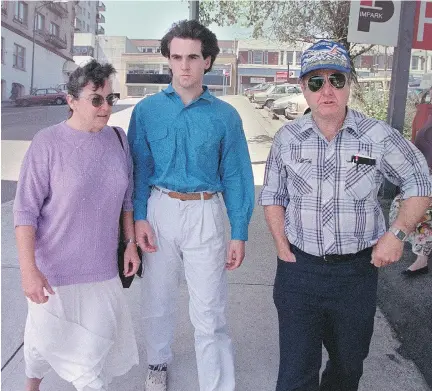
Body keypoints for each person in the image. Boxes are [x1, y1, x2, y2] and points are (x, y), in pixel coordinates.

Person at [259, 40, 431, 391]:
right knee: (295, 373)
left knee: (347, 368)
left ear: (349, 83)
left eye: (336, 79)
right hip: (298, 269)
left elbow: (420, 179)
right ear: (303, 89)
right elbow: (273, 194)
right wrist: (280, 244)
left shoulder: (377, 136)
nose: (327, 90)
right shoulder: (287, 139)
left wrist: (397, 233)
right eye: (316, 81)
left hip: (356, 274)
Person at [128, 20, 254, 391]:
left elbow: (236, 176)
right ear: (168, 60)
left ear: (208, 62)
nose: (184, 65)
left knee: (210, 309)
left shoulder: (225, 116)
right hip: (159, 209)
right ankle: (157, 363)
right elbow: (138, 170)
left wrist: (240, 231)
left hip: (205, 212)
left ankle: (216, 384)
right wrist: (138, 218)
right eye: (177, 57)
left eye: (193, 57)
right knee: (157, 299)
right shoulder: (148, 111)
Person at [14, 60, 140, 391]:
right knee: (44, 341)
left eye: (110, 99)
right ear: (71, 100)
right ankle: (32, 385)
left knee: (91, 364)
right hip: (55, 273)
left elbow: (127, 201)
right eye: (96, 99)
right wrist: (29, 271)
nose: (105, 107)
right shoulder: (47, 143)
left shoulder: (118, 140)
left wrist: (130, 244)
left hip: (101, 272)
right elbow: (25, 212)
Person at [391, 113, 432, 276]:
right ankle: (398, 241)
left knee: (425, 210)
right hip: (426, 177)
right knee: (399, 203)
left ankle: (422, 258)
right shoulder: (426, 115)